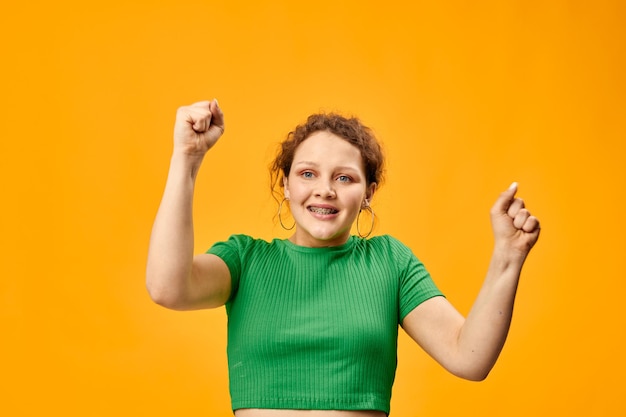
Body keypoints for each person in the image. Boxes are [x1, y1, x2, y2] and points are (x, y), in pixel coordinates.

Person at [146, 99, 541, 417]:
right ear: (285, 185)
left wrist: (508, 256)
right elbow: (168, 287)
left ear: (368, 193)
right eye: (307, 174)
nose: (325, 191)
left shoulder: (389, 263)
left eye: (344, 178)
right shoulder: (246, 261)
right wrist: (188, 158)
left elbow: (468, 357)